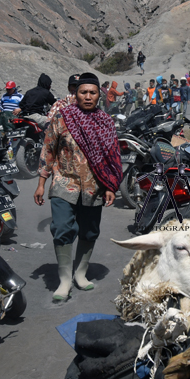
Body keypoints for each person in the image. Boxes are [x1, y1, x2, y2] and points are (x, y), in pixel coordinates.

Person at [34, 73, 122, 302]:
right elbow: (48, 150)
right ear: (76, 93)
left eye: (93, 92)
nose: (88, 97)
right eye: (83, 92)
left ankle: (80, 274)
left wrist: (111, 185)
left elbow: (111, 157)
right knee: (62, 228)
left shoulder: (105, 122)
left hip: (94, 186)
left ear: (98, 95)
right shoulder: (62, 118)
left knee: (90, 231)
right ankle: (64, 280)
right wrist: (41, 183)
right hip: (65, 183)